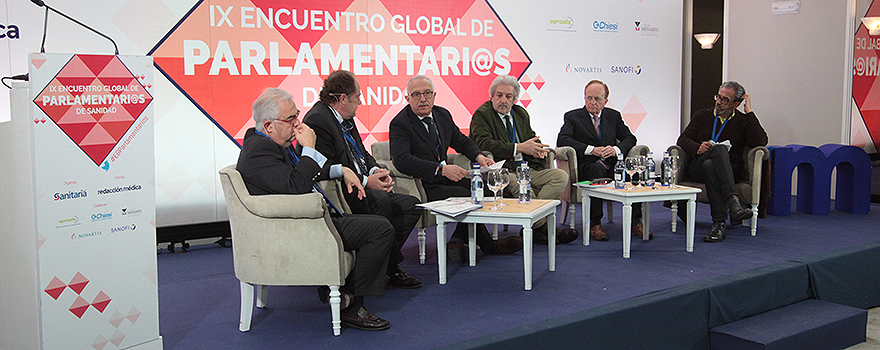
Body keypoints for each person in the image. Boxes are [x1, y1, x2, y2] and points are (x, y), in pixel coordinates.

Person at [236, 88, 394, 331]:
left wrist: (340, 170)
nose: (297, 124)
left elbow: (300, 172)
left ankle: (345, 291)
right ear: (268, 125)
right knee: (379, 229)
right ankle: (351, 305)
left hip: (306, 220)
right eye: (291, 119)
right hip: (299, 228)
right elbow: (297, 185)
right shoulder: (260, 151)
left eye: (296, 115)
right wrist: (309, 146)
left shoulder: (268, 143)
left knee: (373, 219)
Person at [303, 70, 423, 289]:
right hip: (344, 191)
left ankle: (383, 263)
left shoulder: (346, 117)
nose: (360, 101)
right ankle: (389, 268)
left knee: (411, 205)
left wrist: (376, 169)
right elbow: (320, 165)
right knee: (381, 200)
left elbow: (362, 154)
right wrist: (367, 182)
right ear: (342, 99)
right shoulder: (318, 120)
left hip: (363, 183)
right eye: (357, 96)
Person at [389, 75, 524, 261]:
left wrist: (479, 156)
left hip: (445, 178)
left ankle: (456, 240)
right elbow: (402, 160)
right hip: (423, 183)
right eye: (416, 94)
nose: (422, 99)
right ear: (407, 98)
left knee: (482, 189)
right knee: (466, 196)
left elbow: (460, 140)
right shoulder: (400, 123)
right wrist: (440, 169)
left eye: (427, 93)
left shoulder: (441, 114)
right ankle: (489, 246)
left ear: (434, 95)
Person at [469, 75, 577, 245]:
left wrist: (539, 150)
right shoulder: (482, 114)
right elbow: (484, 143)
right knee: (524, 186)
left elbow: (531, 138)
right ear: (491, 96)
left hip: (526, 167)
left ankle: (534, 226)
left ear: (514, 99)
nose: (503, 100)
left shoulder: (520, 113)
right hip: (502, 170)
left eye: (508, 96)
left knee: (560, 176)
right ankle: (544, 230)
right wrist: (518, 148)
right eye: (499, 95)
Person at [557, 80, 650, 241]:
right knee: (597, 170)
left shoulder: (613, 116)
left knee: (634, 171)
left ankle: (636, 222)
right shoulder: (573, 117)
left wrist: (615, 149)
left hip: (612, 163)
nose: (592, 103)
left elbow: (629, 138)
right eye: (589, 98)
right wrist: (591, 149)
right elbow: (563, 140)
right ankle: (595, 224)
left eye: (597, 99)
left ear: (605, 101)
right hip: (587, 165)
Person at [676, 81, 767, 243]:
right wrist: (698, 147)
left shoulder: (743, 120)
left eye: (725, 99)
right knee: (715, 153)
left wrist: (749, 112)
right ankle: (732, 202)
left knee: (712, 164)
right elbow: (682, 139)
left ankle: (719, 224)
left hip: (729, 169)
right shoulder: (702, 115)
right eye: (718, 97)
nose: (719, 102)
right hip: (698, 167)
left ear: (736, 104)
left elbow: (761, 141)